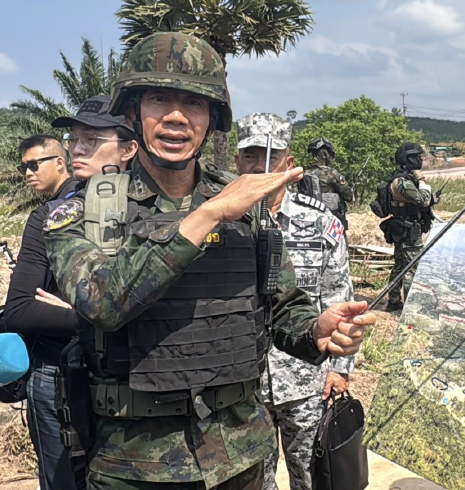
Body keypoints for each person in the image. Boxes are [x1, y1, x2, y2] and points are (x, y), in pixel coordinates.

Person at [43, 31, 375, 490]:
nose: (177, 117)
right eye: (159, 99)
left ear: (212, 118)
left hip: (239, 457)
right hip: (135, 466)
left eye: (195, 104)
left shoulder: (248, 205)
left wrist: (317, 329)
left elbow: (282, 307)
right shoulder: (86, 212)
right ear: (133, 111)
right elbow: (103, 303)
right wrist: (210, 213)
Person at [1, 95, 138, 490]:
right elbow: (21, 310)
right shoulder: (51, 216)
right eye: (74, 138)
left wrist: (84, 309)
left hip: (133, 383)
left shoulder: (153, 213)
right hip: (59, 376)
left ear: (129, 149)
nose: (77, 149)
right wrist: (96, 315)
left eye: (91, 140)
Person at [233, 113, 354, 490]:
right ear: (237, 161)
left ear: (289, 163)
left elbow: (339, 295)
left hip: (306, 383)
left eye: (271, 157)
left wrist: (339, 368)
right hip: (241, 389)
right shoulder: (220, 220)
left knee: (314, 479)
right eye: (251, 155)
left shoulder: (320, 224)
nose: (260, 166)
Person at [382, 143, 437, 312]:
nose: (420, 160)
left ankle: (394, 300)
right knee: (412, 267)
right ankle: (410, 306)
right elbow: (423, 200)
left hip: (403, 228)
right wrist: (422, 181)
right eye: (417, 157)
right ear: (408, 159)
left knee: (399, 265)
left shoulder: (402, 179)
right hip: (409, 230)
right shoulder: (402, 181)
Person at [302, 138, 353, 230]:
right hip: (332, 224)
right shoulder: (332, 173)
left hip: (309, 223)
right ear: (325, 154)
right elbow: (349, 196)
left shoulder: (304, 174)